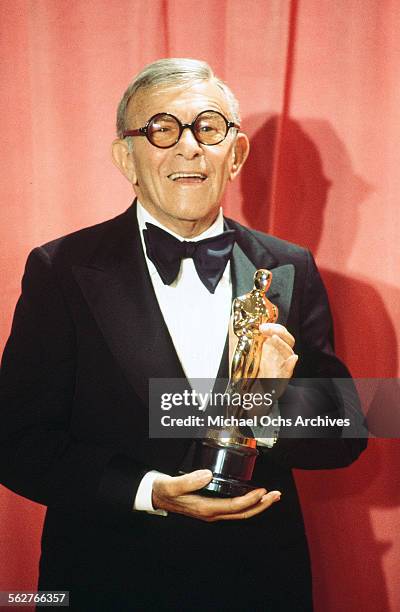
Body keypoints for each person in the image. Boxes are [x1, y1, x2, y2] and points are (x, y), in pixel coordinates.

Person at [0, 58, 366, 611]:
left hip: (260, 583)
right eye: (161, 129)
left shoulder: (291, 267)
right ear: (127, 156)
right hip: (108, 581)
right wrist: (147, 492)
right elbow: (16, 441)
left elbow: (347, 433)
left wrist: (270, 406)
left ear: (235, 153)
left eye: (209, 127)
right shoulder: (60, 269)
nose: (189, 147)